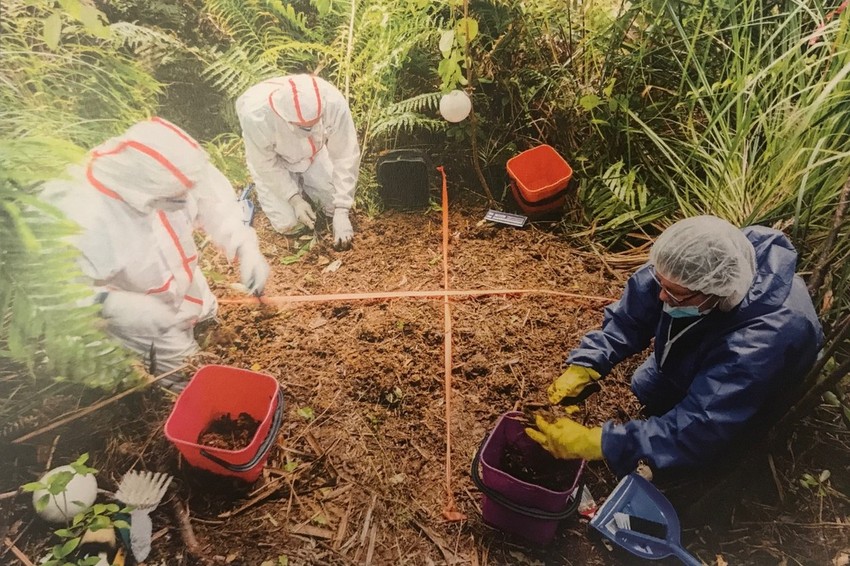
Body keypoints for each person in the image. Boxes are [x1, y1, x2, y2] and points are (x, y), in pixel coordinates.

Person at [525, 215, 823, 485]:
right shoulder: (697, 259)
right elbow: (632, 316)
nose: (661, 296)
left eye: (675, 295)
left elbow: (701, 425)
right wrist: (589, 362)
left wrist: (602, 442)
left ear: (718, 291)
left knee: (703, 453)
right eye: (661, 283)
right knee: (647, 387)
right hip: (705, 348)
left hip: (749, 393)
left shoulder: (763, 340)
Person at [40, 117, 270, 383]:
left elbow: (214, 204)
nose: (186, 201)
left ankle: (205, 322)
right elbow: (55, 291)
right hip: (139, 309)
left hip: (186, 279)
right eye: (175, 197)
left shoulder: (178, 164)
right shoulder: (74, 211)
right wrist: (113, 305)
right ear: (144, 192)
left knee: (203, 309)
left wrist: (244, 245)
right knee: (187, 373)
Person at [235, 74, 361, 250]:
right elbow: (265, 164)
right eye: (304, 127)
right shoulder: (256, 116)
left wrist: (342, 210)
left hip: (314, 154)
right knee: (289, 224)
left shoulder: (333, 101)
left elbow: (345, 154)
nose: (310, 129)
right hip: (276, 163)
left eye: (315, 123)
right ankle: (292, 191)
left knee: (333, 206)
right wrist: (294, 199)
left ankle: (309, 185)